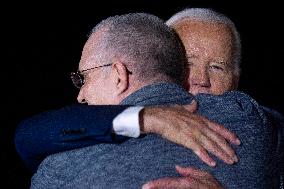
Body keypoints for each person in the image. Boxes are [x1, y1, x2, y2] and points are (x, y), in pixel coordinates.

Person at [29, 12, 277, 189]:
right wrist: (147, 117)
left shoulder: (256, 121)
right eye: (187, 64)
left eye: (217, 67)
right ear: (166, 65)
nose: (201, 80)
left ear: (236, 79)